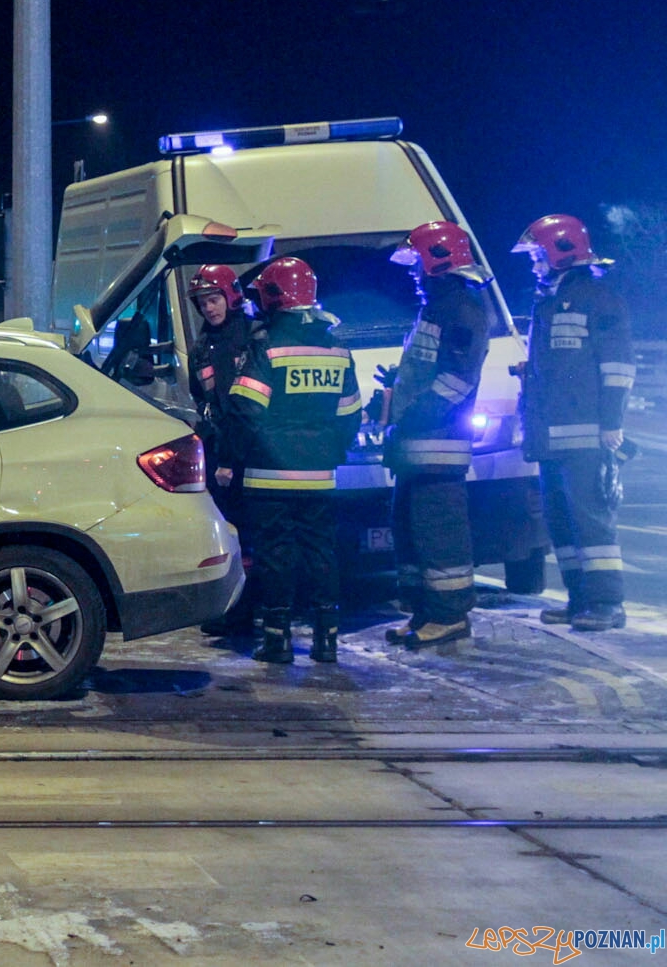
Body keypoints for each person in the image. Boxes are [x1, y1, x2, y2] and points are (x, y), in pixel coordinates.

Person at [226, 257, 361, 665]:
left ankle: (277, 640)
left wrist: (235, 456)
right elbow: (351, 414)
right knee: (321, 552)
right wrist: (327, 451)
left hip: (269, 474)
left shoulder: (266, 346)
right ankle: (326, 640)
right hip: (320, 474)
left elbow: (245, 410)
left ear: (273, 295)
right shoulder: (338, 347)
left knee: (275, 554)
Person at [515, 213, 633, 632]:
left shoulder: (600, 299)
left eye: (537, 255)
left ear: (561, 251)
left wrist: (611, 424)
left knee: (592, 524)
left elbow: (617, 368)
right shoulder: (548, 301)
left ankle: (607, 604)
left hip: (586, 438)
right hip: (551, 438)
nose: (534, 264)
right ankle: (580, 598)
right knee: (562, 523)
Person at [379, 222, 491, 650]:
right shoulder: (440, 306)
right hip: (417, 448)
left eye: (417, 264)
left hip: (436, 446)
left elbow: (458, 378)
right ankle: (425, 610)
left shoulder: (462, 307)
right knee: (412, 530)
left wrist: (415, 413)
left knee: (438, 531)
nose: (413, 273)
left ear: (438, 259)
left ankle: (449, 617)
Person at [186, 264, 256, 638]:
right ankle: (236, 609)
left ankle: (245, 613)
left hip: (243, 457)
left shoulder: (247, 339)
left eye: (214, 299)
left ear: (231, 297)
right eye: (202, 302)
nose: (209, 308)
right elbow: (205, 402)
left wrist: (229, 459)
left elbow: (240, 408)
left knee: (244, 534)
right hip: (219, 453)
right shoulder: (204, 346)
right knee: (230, 535)